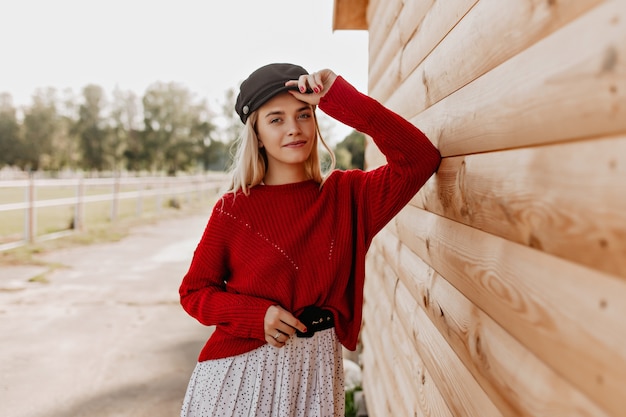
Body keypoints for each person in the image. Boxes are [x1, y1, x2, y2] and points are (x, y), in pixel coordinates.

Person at [178, 63, 441, 417]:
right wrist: (256, 316)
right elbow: (194, 293)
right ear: (256, 133)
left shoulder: (348, 197)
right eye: (276, 119)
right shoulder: (233, 210)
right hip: (241, 378)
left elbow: (419, 159)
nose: (293, 129)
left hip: (316, 373)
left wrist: (338, 94)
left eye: (304, 114)